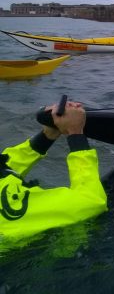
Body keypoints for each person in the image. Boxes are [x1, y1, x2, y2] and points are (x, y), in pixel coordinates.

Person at [0, 101, 107, 242]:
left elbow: (6, 167)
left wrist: (48, 134)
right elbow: (92, 202)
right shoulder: (9, 210)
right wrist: (75, 134)